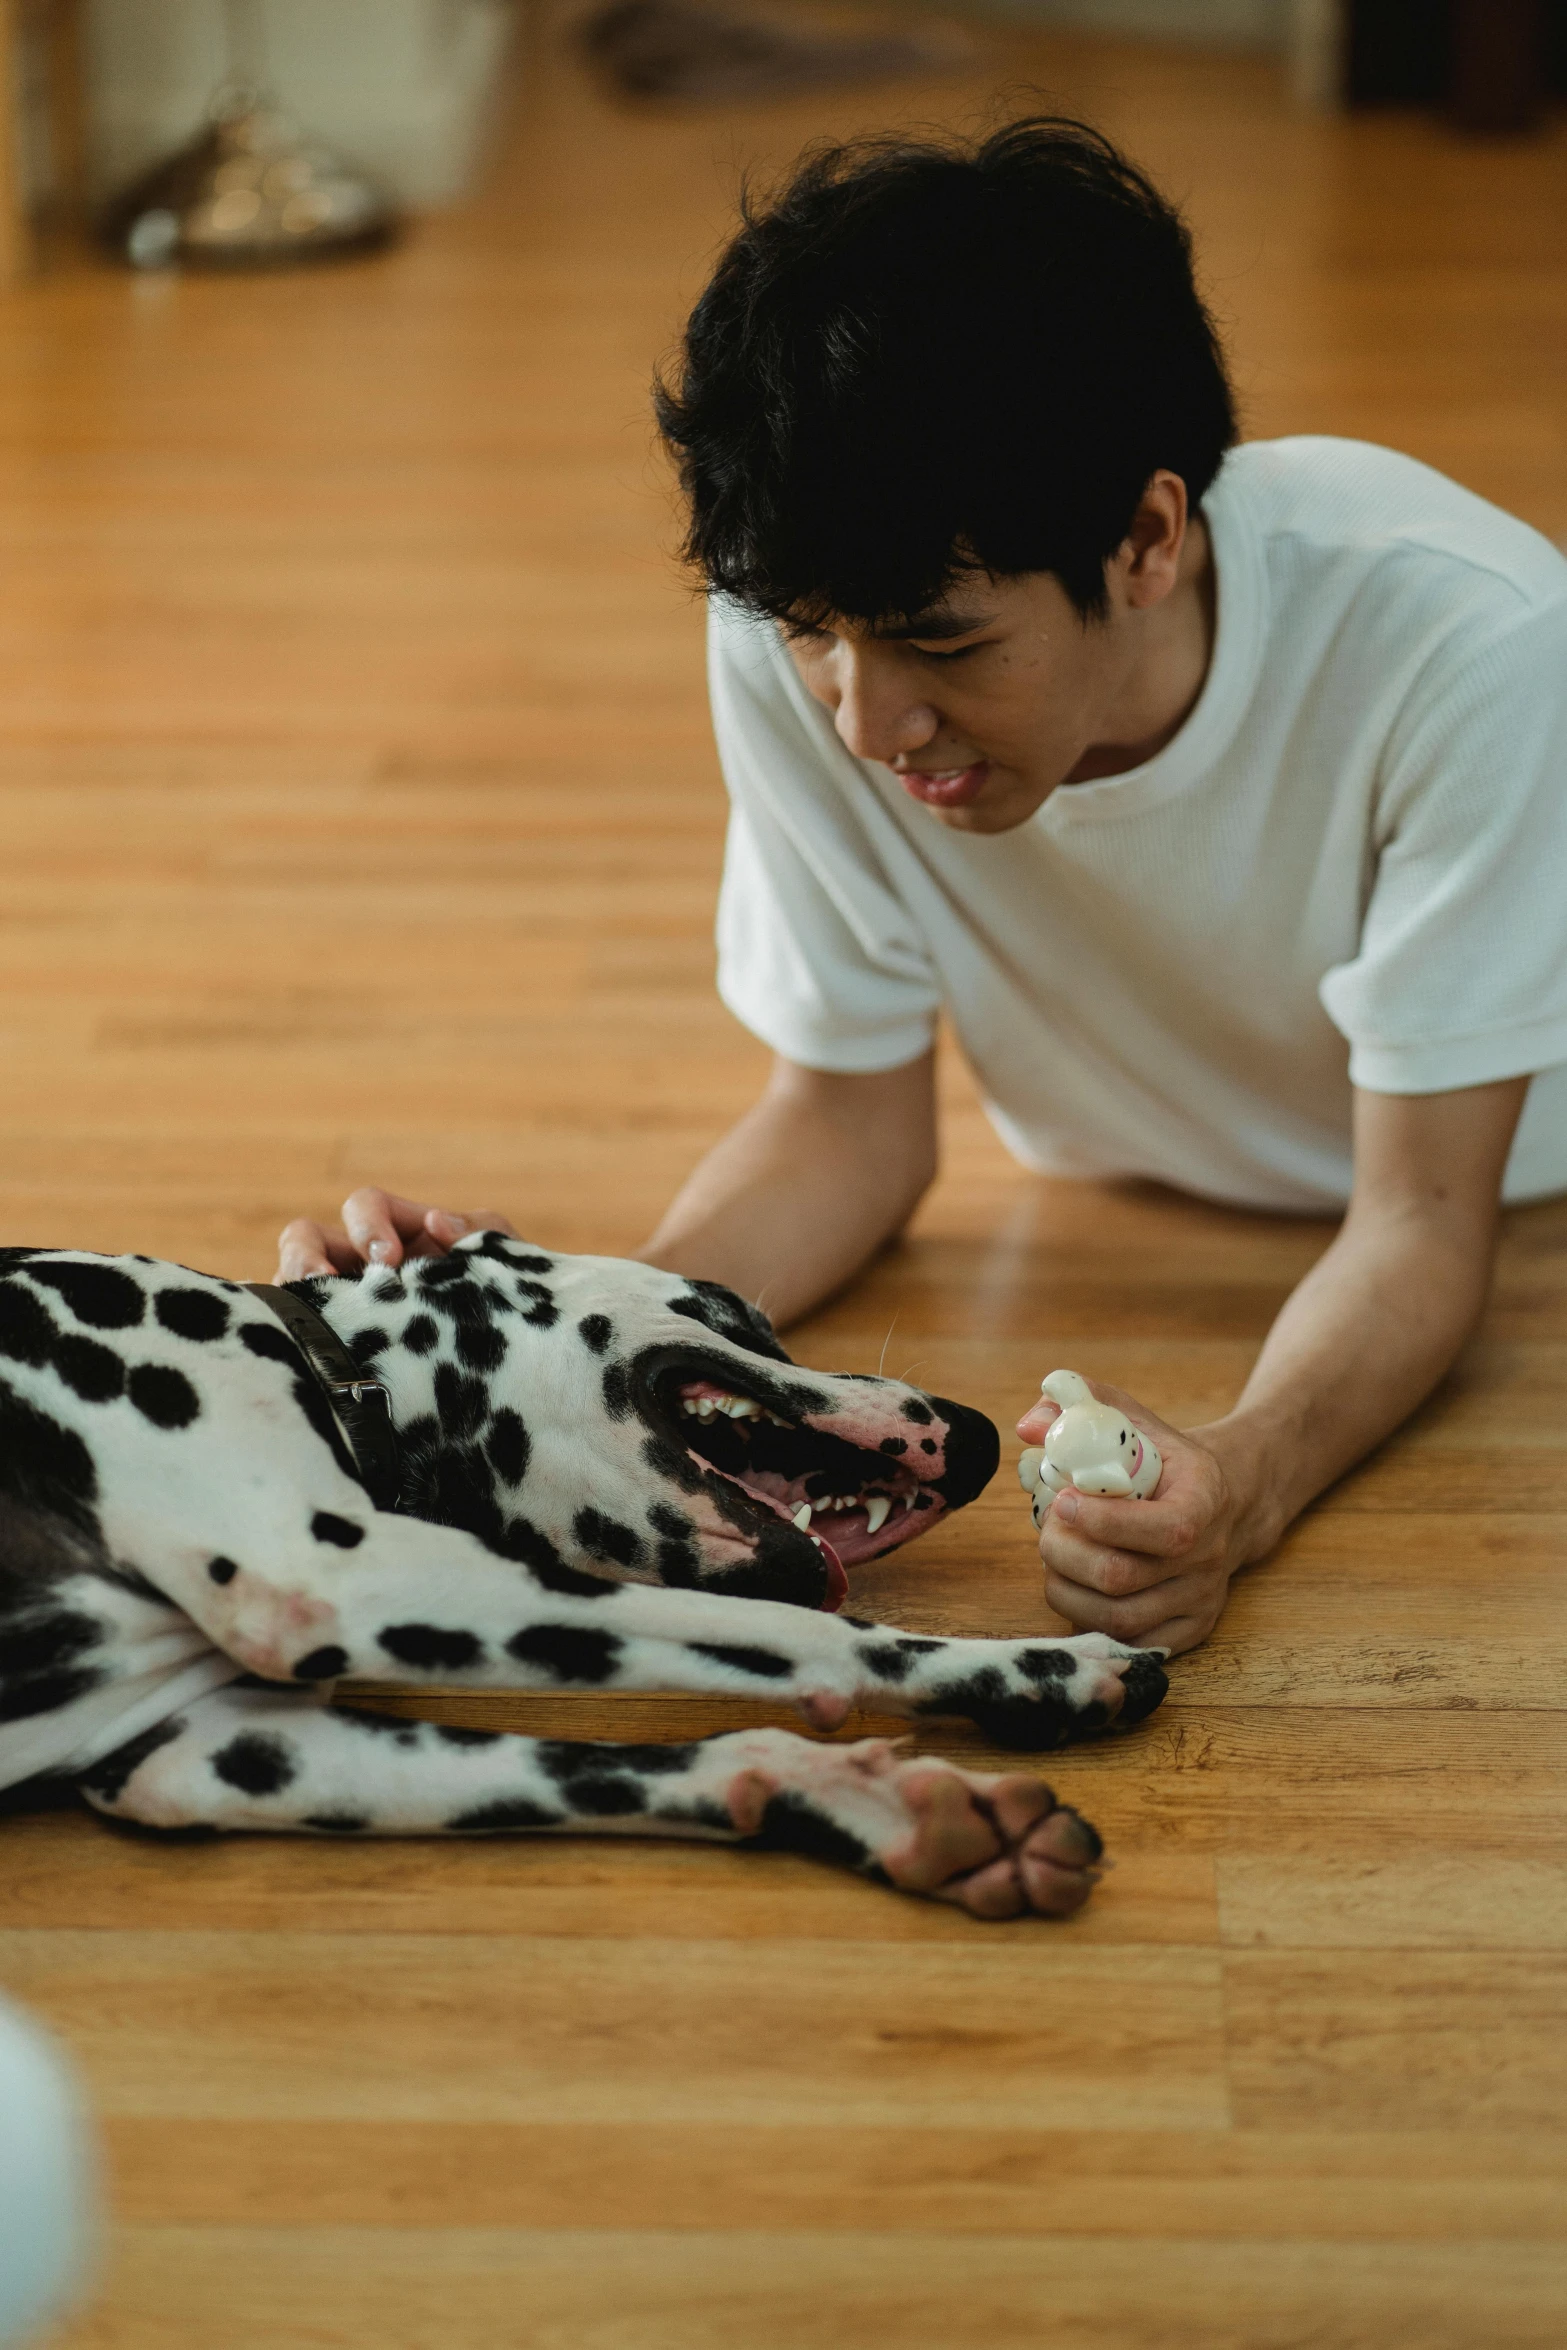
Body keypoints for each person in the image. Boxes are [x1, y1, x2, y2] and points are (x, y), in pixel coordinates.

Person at [279, 119, 1567, 1655]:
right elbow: (846, 1128)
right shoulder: (814, 626)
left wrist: (1244, 1476)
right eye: (813, 635)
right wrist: (568, 1344)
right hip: (1130, 1176)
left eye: (945, 644)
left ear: (1147, 536)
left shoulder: (1469, 643)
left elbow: (1422, 1216)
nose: (866, 724)